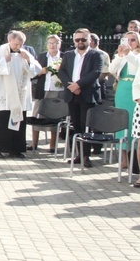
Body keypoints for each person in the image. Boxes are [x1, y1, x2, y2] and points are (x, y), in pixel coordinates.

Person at [0, 30, 42, 158]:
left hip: (20, 94)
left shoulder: (25, 53)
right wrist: (4, 60)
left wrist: (28, 61)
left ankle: (15, 149)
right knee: (0, 120)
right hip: (3, 93)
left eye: (20, 44)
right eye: (15, 44)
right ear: (9, 40)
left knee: (18, 121)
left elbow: (36, 70)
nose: (18, 47)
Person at [58, 28, 103, 167]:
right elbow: (62, 71)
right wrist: (70, 86)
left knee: (86, 126)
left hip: (87, 94)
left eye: (83, 39)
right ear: (74, 41)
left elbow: (96, 72)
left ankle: (86, 156)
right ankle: (78, 154)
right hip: (72, 95)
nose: (80, 42)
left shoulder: (96, 55)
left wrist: (78, 85)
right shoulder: (69, 55)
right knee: (76, 125)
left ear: (89, 40)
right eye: (78, 40)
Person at [108, 31, 140, 169]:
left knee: (133, 124)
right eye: (127, 40)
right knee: (121, 122)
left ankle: (134, 161)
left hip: (134, 91)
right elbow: (111, 69)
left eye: (133, 40)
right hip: (122, 89)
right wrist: (120, 56)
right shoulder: (123, 54)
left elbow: (137, 64)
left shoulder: (137, 55)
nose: (130, 42)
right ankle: (123, 159)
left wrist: (128, 54)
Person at [29, 34, 63, 152]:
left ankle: (53, 145)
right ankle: (34, 143)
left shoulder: (64, 56)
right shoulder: (42, 56)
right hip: (42, 90)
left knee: (54, 117)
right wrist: (44, 70)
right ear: (47, 45)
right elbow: (34, 72)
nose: (53, 45)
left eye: (55, 43)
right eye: (50, 43)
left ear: (59, 44)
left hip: (58, 90)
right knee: (37, 115)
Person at [90, 33, 111, 103]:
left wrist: (94, 82)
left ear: (92, 41)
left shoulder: (103, 55)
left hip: (99, 84)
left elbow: (105, 72)